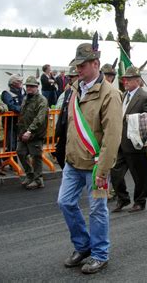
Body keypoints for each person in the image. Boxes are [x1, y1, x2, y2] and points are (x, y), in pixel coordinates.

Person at [57, 43, 122, 274]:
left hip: (97, 166)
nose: (79, 69)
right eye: (77, 65)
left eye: (83, 65)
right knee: (64, 202)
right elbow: (71, 127)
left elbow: (112, 136)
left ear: (96, 64)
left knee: (98, 210)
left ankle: (100, 254)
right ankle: (83, 246)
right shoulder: (75, 89)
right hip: (73, 164)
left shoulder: (111, 94)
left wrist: (103, 170)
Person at [111, 64, 147, 213]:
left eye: (129, 79)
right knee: (115, 172)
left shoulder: (145, 96)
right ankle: (123, 198)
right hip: (121, 142)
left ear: (137, 80)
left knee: (139, 176)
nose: (125, 82)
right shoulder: (124, 95)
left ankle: (140, 201)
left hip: (135, 142)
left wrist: (135, 120)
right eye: (124, 79)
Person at [16, 76, 48, 189]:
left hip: (35, 134)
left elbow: (40, 118)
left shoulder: (42, 100)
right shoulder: (26, 98)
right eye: (27, 86)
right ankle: (30, 175)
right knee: (20, 152)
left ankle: (38, 180)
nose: (29, 88)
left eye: (32, 86)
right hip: (23, 133)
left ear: (37, 87)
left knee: (36, 157)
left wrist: (30, 131)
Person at [54, 66, 78, 169]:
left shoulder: (82, 91)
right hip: (65, 128)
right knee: (59, 153)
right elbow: (63, 109)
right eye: (70, 77)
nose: (70, 79)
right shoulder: (68, 92)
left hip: (75, 129)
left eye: (73, 77)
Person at [2, 74, 25, 152]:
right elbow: (11, 106)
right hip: (10, 121)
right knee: (11, 143)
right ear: (13, 83)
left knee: (23, 142)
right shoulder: (6, 92)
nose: (21, 82)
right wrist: (23, 110)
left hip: (21, 120)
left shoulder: (23, 90)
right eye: (19, 81)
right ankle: (11, 160)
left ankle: (10, 158)